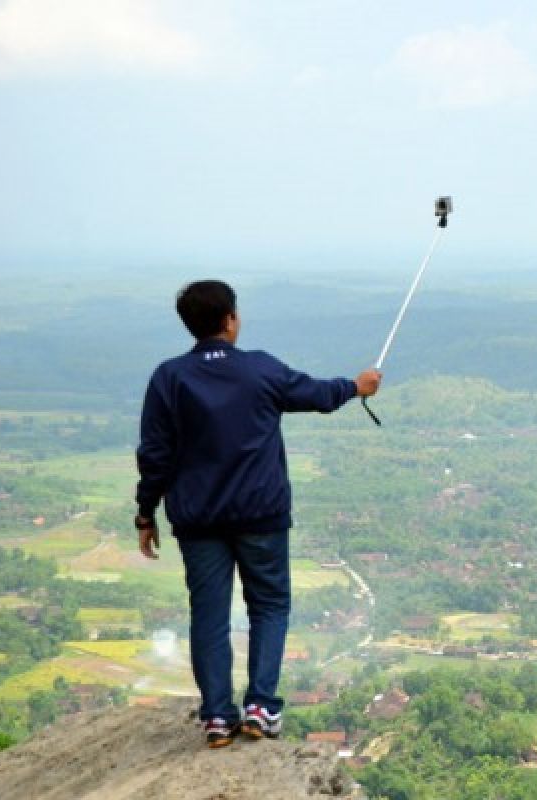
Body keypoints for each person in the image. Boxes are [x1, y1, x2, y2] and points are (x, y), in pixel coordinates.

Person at [135, 280, 381, 748]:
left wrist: (145, 513)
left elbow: (154, 453)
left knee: (209, 615)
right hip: (261, 515)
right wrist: (358, 386)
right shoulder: (260, 370)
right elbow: (319, 395)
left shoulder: (169, 378)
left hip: (198, 520)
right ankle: (261, 708)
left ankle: (217, 718)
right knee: (268, 606)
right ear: (231, 319)